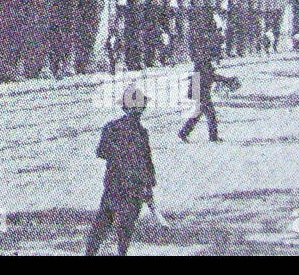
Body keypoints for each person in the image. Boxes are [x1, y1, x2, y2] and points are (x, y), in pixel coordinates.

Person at [85, 85, 164, 256]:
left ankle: (90, 253)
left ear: (124, 107)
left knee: (102, 223)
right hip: (133, 187)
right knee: (125, 229)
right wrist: (148, 187)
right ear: (142, 108)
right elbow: (146, 163)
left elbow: (101, 152)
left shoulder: (111, 127)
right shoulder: (141, 133)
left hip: (113, 184)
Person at [179, 14, 234, 143]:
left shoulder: (203, 56)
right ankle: (212, 137)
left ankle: (184, 132)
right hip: (200, 87)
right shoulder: (204, 58)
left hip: (199, 86)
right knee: (210, 113)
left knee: (200, 112)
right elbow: (210, 75)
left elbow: (210, 74)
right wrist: (226, 80)